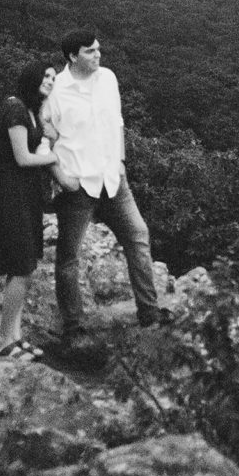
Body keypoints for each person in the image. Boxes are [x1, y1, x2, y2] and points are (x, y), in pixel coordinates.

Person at [44, 27, 167, 341]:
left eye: (98, 49)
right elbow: (43, 138)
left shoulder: (108, 79)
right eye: (90, 51)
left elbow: (118, 123)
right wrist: (61, 177)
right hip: (78, 184)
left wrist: (121, 162)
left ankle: (150, 314)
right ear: (73, 56)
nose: (98, 55)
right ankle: (73, 327)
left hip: (113, 179)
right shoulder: (56, 90)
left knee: (138, 237)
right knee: (69, 256)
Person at [0, 59, 60, 358]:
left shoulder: (29, 110)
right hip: (11, 192)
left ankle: (15, 337)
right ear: (32, 77)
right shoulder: (15, 109)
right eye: (46, 76)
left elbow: (47, 137)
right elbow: (23, 158)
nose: (50, 81)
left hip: (26, 194)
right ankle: (4, 341)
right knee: (22, 267)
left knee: (23, 266)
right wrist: (53, 159)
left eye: (53, 78)